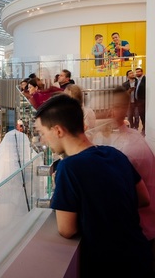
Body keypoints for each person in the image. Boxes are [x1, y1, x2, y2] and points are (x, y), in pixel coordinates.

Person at [35, 94, 151, 276]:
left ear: (58, 130)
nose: (42, 140)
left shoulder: (68, 167)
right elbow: (144, 199)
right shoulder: (114, 153)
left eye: (42, 133)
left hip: (106, 266)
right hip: (140, 256)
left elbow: (67, 230)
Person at [88, 85, 155, 268]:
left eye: (95, 110)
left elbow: (115, 199)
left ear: (111, 111)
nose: (91, 116)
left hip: (135, 236)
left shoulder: (129, 148)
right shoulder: (112, 137)